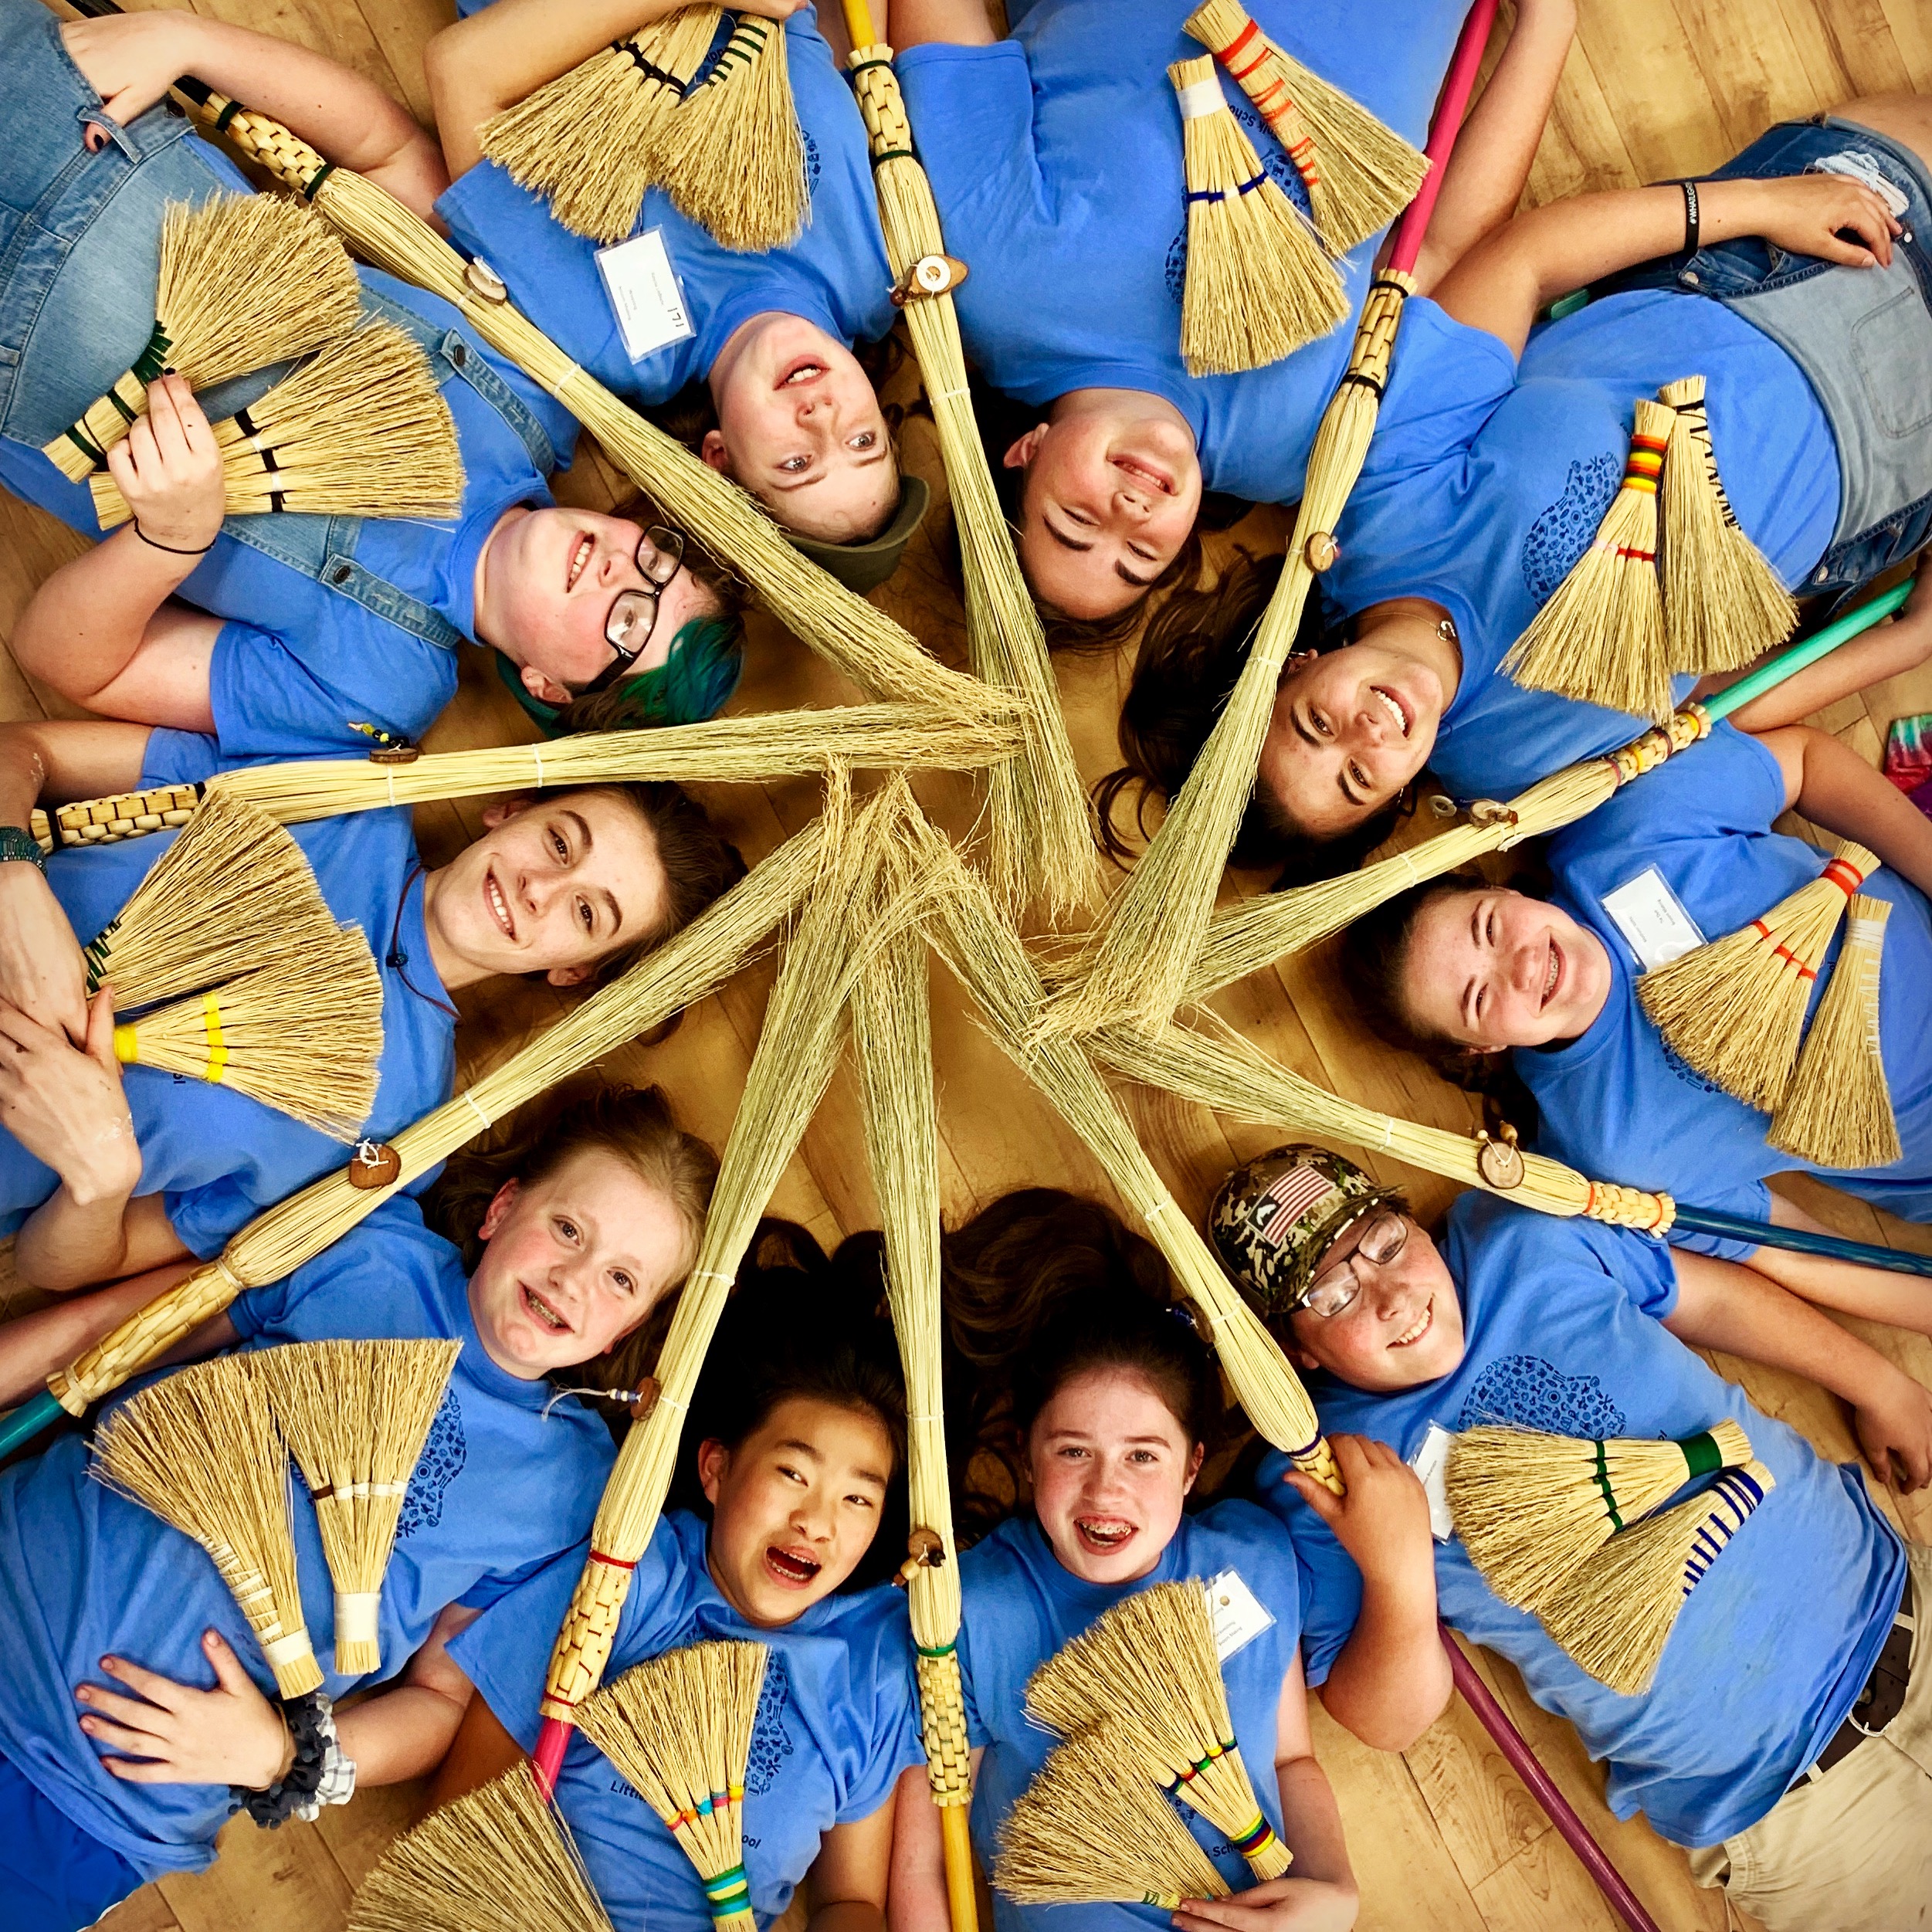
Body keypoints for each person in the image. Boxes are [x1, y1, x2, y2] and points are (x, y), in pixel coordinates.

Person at [1116, 92, 1932, 880]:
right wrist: (1905, 643)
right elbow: (1718, 700)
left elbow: (1523, 262)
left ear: (1294, 667)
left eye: (1315, 724)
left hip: (1792, 269)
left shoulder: (1374, 509)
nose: (1364, 732)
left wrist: (1761, 205)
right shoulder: (1517, 771)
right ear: (1392, 805)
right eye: (1357, 780)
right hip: (1890, 481)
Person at [0, 1086, 717, 1932]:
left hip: (98, 1803)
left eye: (622, 1279)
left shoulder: (570, 1492)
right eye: (568, 1229)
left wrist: (284, 1756)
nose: (573, 1279)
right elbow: (128, 1340)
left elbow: (440, 1702)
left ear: (625, 1331)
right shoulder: (369, 1250)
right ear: (503, 1207)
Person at [1207, 1145, 1932, 1932]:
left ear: (1412, 1223)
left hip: (1904, 1604)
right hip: (1806, 1815)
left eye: (1383, 1243)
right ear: (1300, 1351)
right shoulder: (1322, 1474)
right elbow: (1390, 1721)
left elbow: (1713, 1303)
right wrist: (1398, 1572)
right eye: (1334, 1294)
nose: (1387, 1295)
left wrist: (1881, 1385)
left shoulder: (1524, 1240)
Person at [0, 0, 745, 747]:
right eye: (653, 558)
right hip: (79, 128)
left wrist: (168, 540)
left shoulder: (379, 684)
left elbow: (67, 660)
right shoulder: (539, 378)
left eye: (628, 624)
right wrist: (185, 39)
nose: (621, 570)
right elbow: (384, 152)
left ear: (549, 687)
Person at [0, 707, 739, 1296]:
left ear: (574, 973)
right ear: (509, 810)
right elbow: (20, 752)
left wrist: (100, 1182)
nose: (539, 890)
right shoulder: (332, 793)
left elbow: (54, 1267)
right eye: (559, 843)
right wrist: (14, 877)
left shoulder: (400, 1133)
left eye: (586, 915)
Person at [887, 0, 1576, 627]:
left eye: (1074, 522)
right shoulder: (1301, 448)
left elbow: (947, 34)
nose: (1128, 515)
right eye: (1139, 558)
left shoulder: (996, 290)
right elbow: (1439, 247)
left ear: (1024, 453)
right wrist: (1551, 24)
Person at [890, 1190, 1446, 1932]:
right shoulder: (967, 1607)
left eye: (1144, 1456)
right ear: (1028, 1458)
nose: (1105, 1488)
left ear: (1193, 1466)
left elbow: (1289, 1761)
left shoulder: (1249, 1555)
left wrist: (1334, 1891)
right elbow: (929, 1855)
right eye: (1073, 1451)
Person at [1341, 715, 1932, 1333]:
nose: (1518, 966)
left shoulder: (1627, 832)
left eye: (1488, 927)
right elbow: (1784, 1244)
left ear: (1507, 894)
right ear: (1484, 1045)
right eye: (1480, 998)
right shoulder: (1610, 1146)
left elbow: (1806, 762)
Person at [426, 1229, 921, 1932]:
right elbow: (468, 1802)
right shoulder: (627, 1573)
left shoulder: (869, 1666)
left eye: (857, 1499)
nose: (817, 1522)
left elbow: (851, 1902)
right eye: (793, 1474)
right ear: (716, 1469)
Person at [425, 0, 929, 585]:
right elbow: (826, 37)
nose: (822, 418)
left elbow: (460, 70)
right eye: (862, 440)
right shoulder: (874, 270)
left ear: (720, 458)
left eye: (797, 463)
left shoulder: (623, 346)